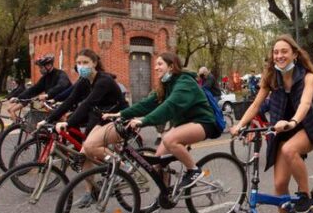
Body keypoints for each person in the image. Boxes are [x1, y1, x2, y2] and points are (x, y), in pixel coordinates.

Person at [230, 35, 313, 213]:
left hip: (307, 127)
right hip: (280, 130)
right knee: (279, 185)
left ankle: (305, 198)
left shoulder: (308, 77)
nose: (279, 56)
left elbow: (304, 104)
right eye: (276, 52)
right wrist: (240, 125)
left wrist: (292, 121)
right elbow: (256, 104)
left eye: (284, 51)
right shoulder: (272, 77)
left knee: (289, 148)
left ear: (294, 53)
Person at [85, 52, 222, 201]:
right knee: (159, 161)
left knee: (169, 139)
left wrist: (144, 121)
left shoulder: (185, 83)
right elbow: (147, 104)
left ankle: (194, 170)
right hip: (184, 124)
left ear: (171, 66)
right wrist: (121, 114)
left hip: (204, 123)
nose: (156, 68)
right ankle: (166, 195)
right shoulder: (165, 84)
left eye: (160, 64)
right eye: (155, 64)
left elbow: (170, 106)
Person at [39, 49, 126, 137]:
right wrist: (47, 120)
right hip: (98, 110)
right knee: (71, 119)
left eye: (85, 62)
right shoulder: (84, 80)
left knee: (89, 135)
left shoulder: (103, 81)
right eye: (79, 63)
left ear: (94, 63)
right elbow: (70, 100)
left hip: (114, 111)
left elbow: (87, 103)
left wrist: (67, 124)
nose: (81, 66)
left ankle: (87, 148)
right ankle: (79, 149)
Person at [8, 54, 71, 122]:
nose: (40, 69)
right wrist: (18, 98)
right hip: (51, 103)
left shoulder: (60, 74)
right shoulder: (45, 77)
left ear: (49, 65)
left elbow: (62, 85)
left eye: (41, 67)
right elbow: (34, 89)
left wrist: (47, 95)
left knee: (60, 118)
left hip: (66, 102)